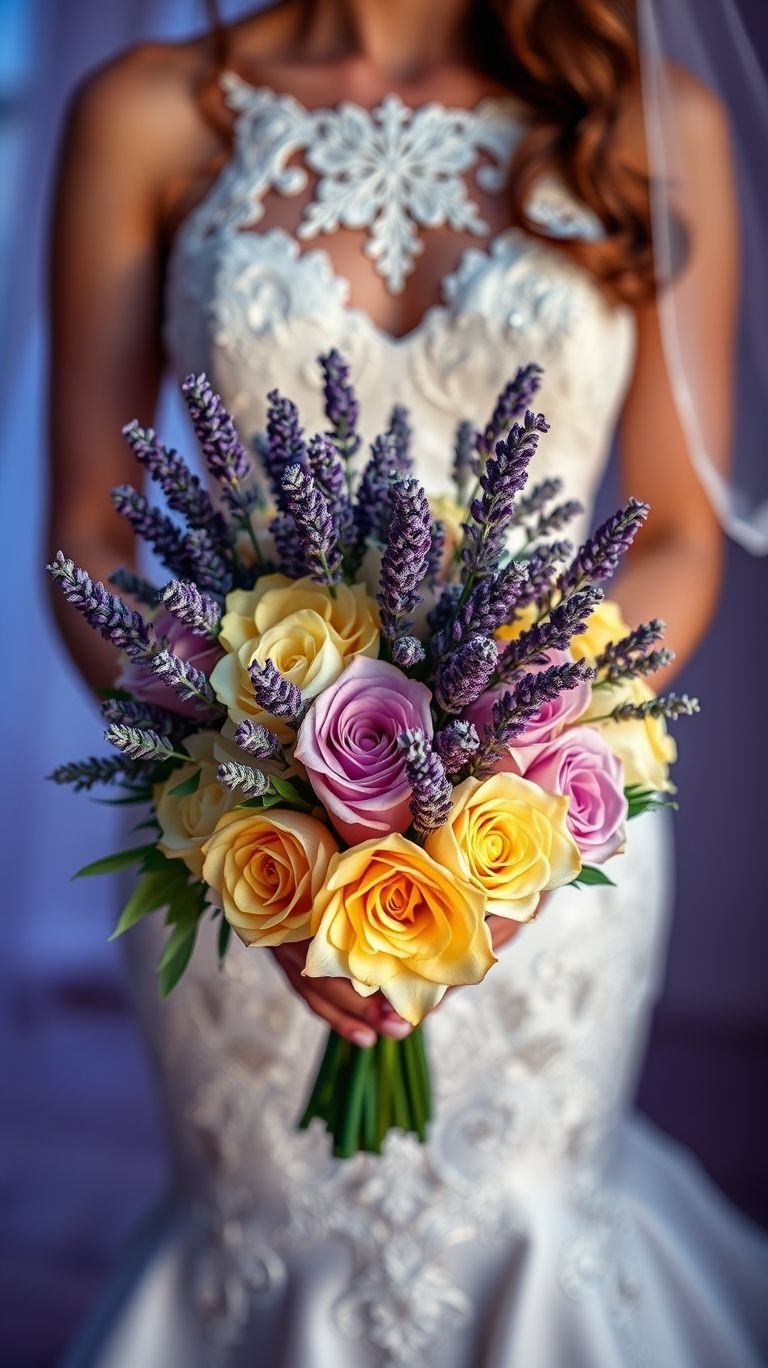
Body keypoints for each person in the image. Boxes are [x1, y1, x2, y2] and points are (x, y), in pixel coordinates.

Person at [49, 3, 767, 1365]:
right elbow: (89, 535)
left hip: (548, 822)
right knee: (268, 1230)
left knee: (524, 1219)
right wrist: (257, 797)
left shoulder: (652, 125)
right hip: (232, 828)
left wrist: (532, 784)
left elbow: (673, 530)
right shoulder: (150, 112)